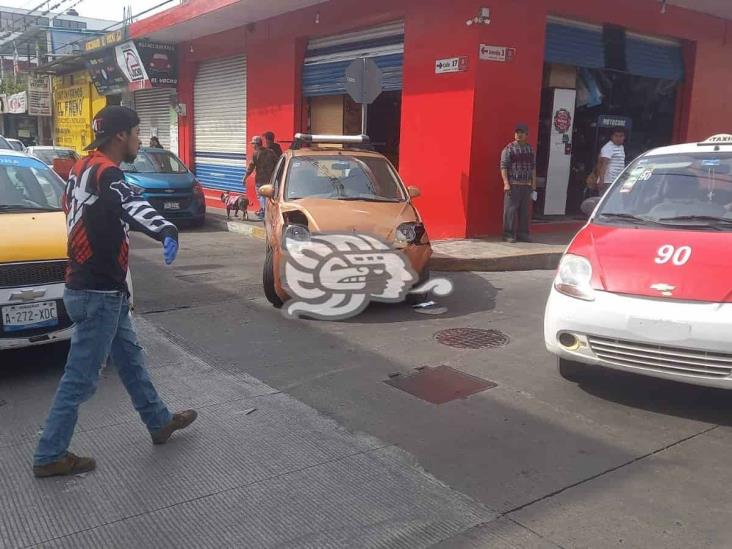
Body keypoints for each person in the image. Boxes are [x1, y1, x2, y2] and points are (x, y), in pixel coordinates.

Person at [32, 106, 197, 478]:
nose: (139, 139)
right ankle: (49, 453)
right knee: (81, 378)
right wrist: (166, 229)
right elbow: (133, 204)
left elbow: (86, 213)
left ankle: (158, 422)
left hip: (97, 288)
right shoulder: (108, 173)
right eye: (137, 133)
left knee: (131, 360)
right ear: (120, 135)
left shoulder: (80, 170)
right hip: (98, 292)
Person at [501, 123, 537, 243]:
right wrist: (506, 183)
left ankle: (523, 234)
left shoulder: (530, 149)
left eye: (522, 132)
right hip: (513, 184)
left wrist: (533, 182)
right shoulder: (509, 149)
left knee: (525, 212)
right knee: (510, 211)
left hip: (526, 185)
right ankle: (508, 234)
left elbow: (533, 167)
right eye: (517, 132)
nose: (519, 134)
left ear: (526, 134)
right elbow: (503, 167)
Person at [245, 135, 278, 219]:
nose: (252, 146)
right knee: (270, 196)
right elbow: (277, 162)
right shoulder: (271, 152)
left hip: (260, 180)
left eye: (253, 144)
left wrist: (244, 178)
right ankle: (268, 211)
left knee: (261, 196)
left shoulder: (255, 154)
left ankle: (264, 212)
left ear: (256, 144)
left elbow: (250, 167)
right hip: (271, 179)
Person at [597, 128, 626, 194]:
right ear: (611, 136)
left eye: (621, 136)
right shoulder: (608, 147)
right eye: (616, 136)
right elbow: (603, 165)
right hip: (608, 182)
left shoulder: (621, 147)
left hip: (617, 180)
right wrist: (601, 181)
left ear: (624, 137)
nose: (618, 138)